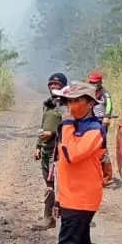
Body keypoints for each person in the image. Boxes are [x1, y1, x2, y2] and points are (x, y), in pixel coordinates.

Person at [37, 82, 108, 244]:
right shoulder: (75, 125)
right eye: (68, 101)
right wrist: (58, 198)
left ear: (89, 103)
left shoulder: (94, 129)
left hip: (83, 198)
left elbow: (72, 155)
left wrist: (66, 123)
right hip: (70, 196)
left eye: (76, 101)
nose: (70, 106)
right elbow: (61, 166)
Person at [33, 72, 68, 230]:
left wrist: (52, 134)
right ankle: (49, 217)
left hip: (58, 150)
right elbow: (43, 125)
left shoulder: (66, 106)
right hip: (46, 149)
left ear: (63, 86)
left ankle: (54, 218)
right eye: (51, 84)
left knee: (58, 184)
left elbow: (68, 129)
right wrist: (38, 146)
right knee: (48, 183)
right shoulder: (48, 103)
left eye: (57, 84)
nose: (53, 86)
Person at [87, 71, 117, 187]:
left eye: (95, 82)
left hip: (101, 123)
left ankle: (107, 177)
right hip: (90, 122)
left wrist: (106, 117)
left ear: (100, 82)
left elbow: (109, 105)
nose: (93, 84)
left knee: (102, 148)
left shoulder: (105, 93)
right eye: (91, 82)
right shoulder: (88, 92)